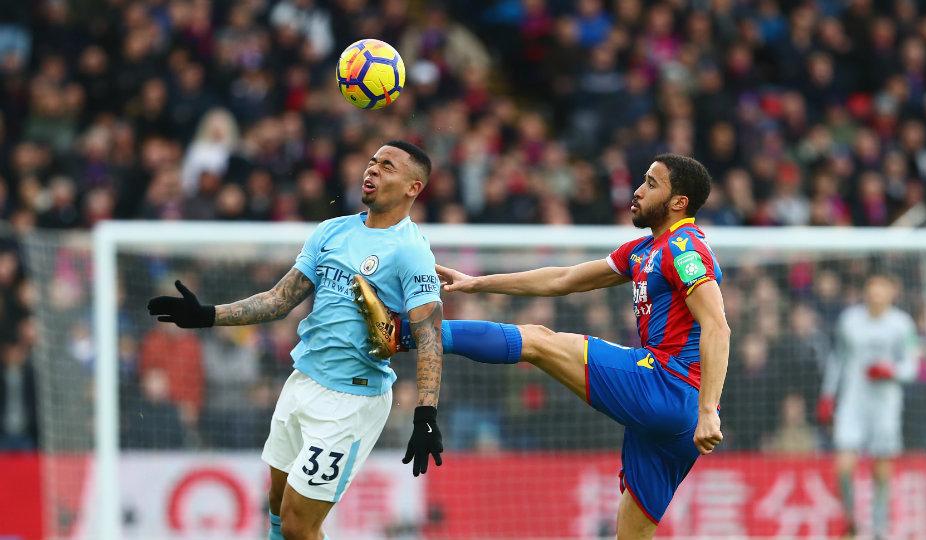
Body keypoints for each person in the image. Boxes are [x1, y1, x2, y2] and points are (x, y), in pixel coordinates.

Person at [361, 153, 730, 539]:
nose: (638, 190)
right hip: (671, 419)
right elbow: (563, 278)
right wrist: (477, 283)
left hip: (670, 387)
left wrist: (708, 411)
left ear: (679, 203)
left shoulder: (685, 249)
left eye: (652, 184)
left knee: (537, 340)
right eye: (643, 179)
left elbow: (718, 327)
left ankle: (401, 335)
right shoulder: (643, 250)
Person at [147, 141, 444, 540]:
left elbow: (429, 334)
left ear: (413, 187)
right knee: (276, 506)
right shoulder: (332, 231)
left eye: (387, 166)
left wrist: (426, 414)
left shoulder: (411, 252)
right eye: (371, 161)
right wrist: (207, 315)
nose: (371, 170)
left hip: (351, 401)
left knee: (299, 526)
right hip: (302, 382)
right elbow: (279, 300)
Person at [817, 274, 919, 537]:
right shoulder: (850, 320)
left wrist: (891, 371)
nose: (875, 294)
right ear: (866, 291)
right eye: (871, 289)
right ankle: (850, 519)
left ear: (890, 292)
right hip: (853, 403)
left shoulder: (902, 324)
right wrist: (828, 395)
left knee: (881, 471)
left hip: (885, 406)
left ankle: (879, 529)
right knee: (843, 467)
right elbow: (837, 359)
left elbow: (912, 366)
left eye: (881, 289)